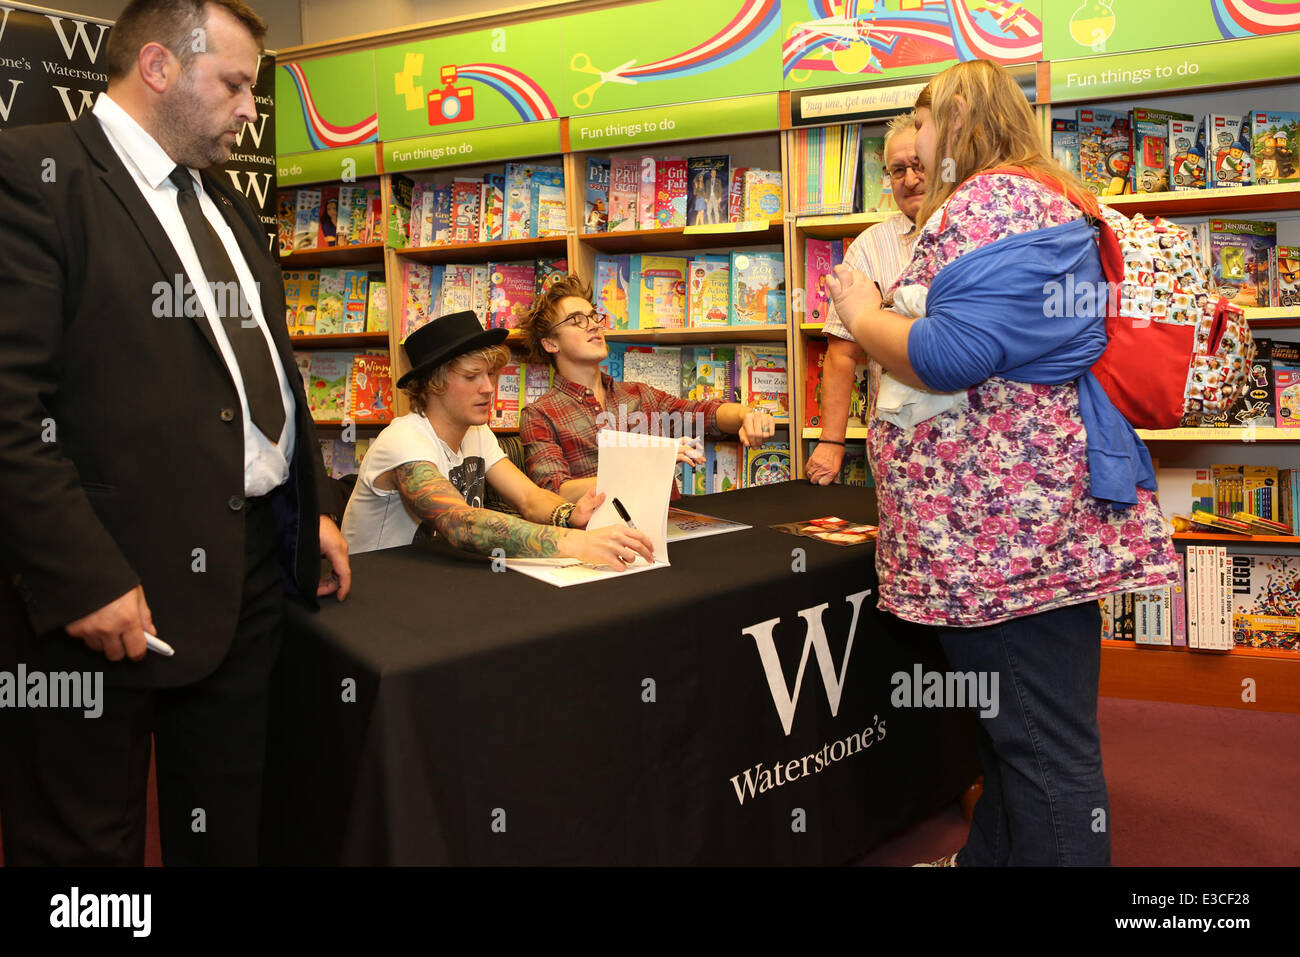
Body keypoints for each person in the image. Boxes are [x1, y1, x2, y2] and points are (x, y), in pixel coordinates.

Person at [0, 0, 351, 865]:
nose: (248, 109)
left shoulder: (223, 199)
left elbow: (268, 368)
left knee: (231, 818)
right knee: (85, 840)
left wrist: (312, 504)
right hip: (104, 584)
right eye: (233, 84)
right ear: (158, 67)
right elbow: (9, 405)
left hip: (250, 567)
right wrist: (83, 577)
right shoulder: (33, 173)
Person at [827, 60, 1179, 866]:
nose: (912, 142)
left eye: (923, 120)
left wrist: (860, 312)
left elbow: (952, 353)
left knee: (1042, 749)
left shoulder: (990, 202)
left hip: (1002, 543)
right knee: (1014, 732)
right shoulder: (1041, 195)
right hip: (1026, 533)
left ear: (956, 123)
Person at [341, 311, 655, 569]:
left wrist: (570, 514)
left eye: (491, 374)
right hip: (377, 583)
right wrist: (578, 543)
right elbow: (460, 524)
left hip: (432, 577)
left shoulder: (477, 433)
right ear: (433, 384)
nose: (489, 388)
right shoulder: (403, 439)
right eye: (471, 376)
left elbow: (529, 499)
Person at [518, 274, 778, 502]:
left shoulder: (639, 395)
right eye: (577, 320)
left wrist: (746, 415)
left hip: (670, 528)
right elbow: (555, 493)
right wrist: (654, 458)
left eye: (594, 317)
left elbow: (704, 414)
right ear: (551, 344)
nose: (595, 325)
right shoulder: (540, 414)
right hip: (603, 541)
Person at [806, 111, 926, 485]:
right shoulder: (870, 247)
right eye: (897, 170)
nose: (910, 179)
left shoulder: (978, 228)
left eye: (919, 165)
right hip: (897, 440)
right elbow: (842, 353)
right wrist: (831, 441)